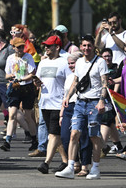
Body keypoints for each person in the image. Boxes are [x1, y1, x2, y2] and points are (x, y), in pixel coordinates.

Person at [56, 35, 109, 180]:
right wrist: (67, 97)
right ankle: (70, 167)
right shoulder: (79, 62)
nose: (86, 48)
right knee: (74, 134)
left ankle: (95, 168)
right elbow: (76, 81)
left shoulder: (100, 62)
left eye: (89, 45)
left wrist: (101, 100)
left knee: (93, 136)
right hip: (79, 102)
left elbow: (105, 83)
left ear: (93, 47)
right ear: (81, 46)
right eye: (84, 45)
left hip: (94, 103)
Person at [34, 36, 70, 174]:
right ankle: (66, 161)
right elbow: (39, 79)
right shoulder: (43, 62)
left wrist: (66, 99)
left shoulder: (64, 63)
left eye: (49, 46)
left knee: (53, 135)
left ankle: (46, 163)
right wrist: (36, 83)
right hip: (45, 103)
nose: (46, 48)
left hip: (58, 104)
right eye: (45, 46)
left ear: (57, 47)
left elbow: (71, 81)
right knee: (55, 135)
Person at [1, 37, 37, 152]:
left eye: (22, 46)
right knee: (12, 114)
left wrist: (21, 79)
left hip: (26, 87)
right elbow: (6, 75)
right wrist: (11, 77)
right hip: (15, 87)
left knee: (27, 115)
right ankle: (7, 140)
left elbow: (32, 74)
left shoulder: (28, 57)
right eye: (18, 47)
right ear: (13, 48)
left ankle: (34, 139)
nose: (21, 49)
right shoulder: (10, 58)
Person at [60, 52, 92, 176]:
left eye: (72, 63)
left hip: (81, 105)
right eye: (69, 64)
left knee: (83, 136)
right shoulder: (69, 77)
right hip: (68, 107)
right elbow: (65, 95)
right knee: (65, 137)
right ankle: (75, 162)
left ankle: (85, 165)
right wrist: (61, 113)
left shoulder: (84, 74)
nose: (70, 66)